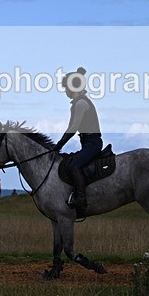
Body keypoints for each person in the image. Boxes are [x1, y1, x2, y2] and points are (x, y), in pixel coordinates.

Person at [53, 67, 102, 217]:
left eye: (66, 88)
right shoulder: (77, 103)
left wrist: (60, 144)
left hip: (92, 143)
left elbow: (73, 127)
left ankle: (80, 198)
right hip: (87, 143)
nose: (66, 91)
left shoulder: (81, 104)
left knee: (74, 165)